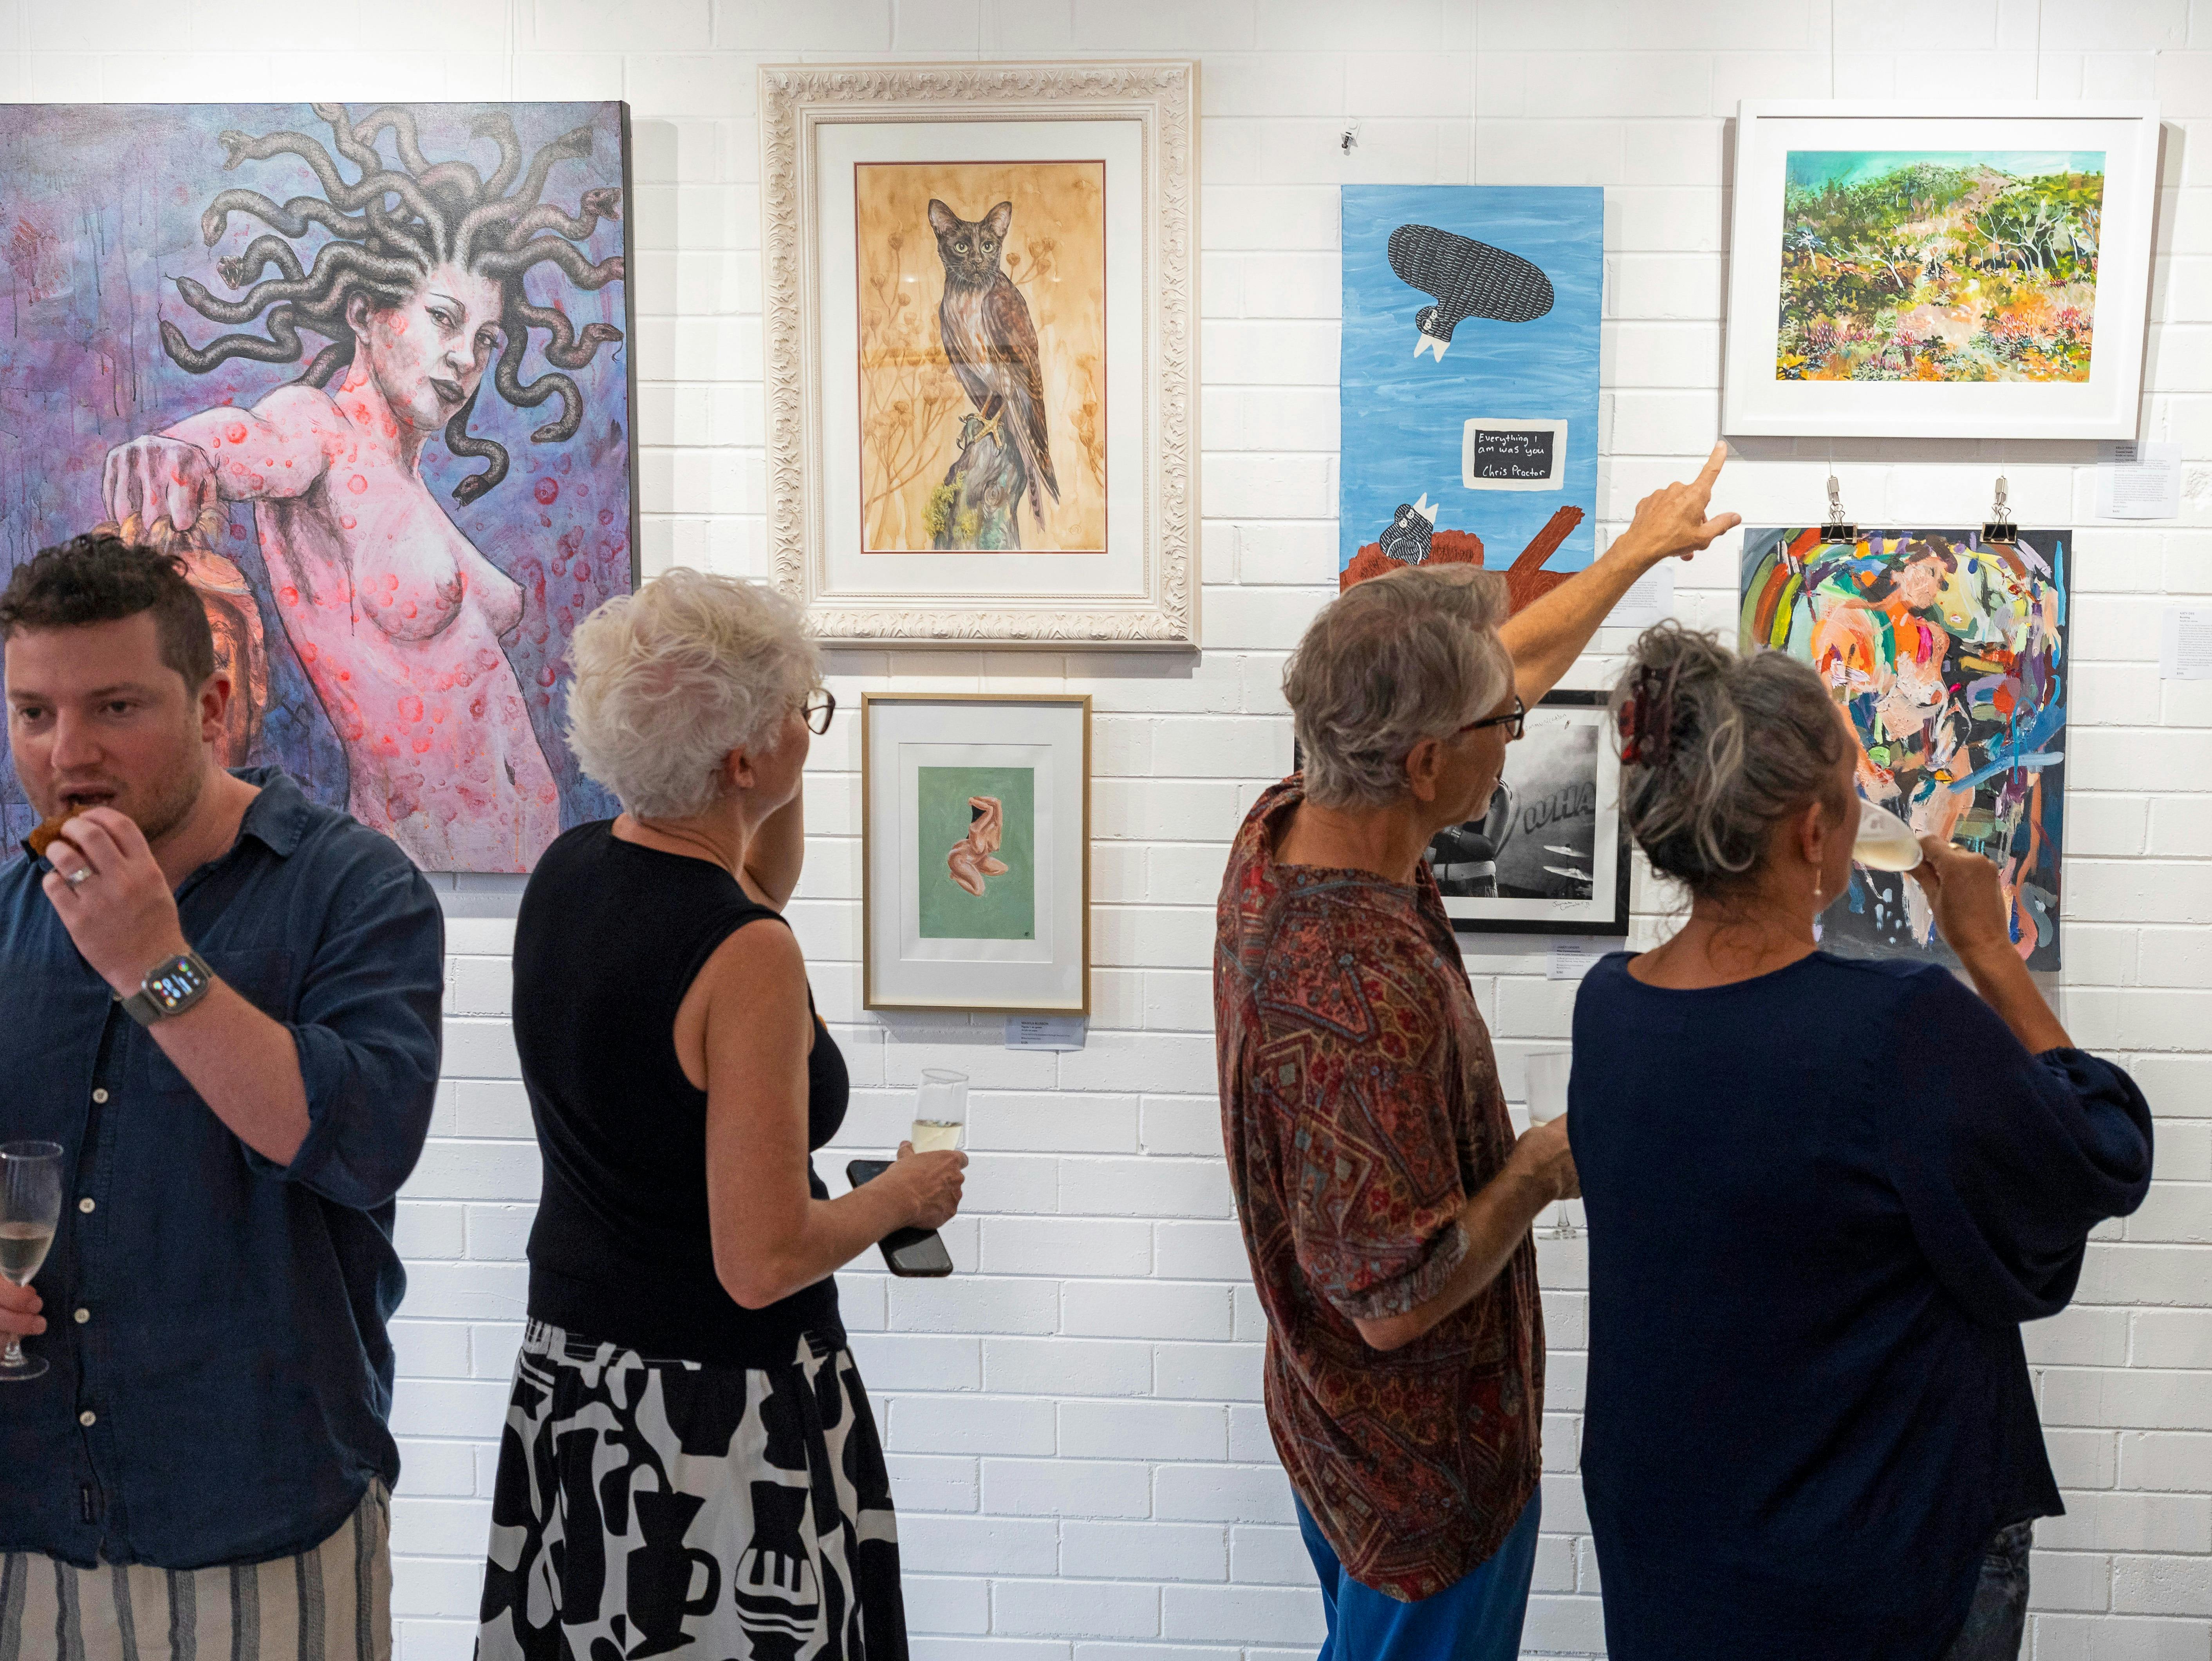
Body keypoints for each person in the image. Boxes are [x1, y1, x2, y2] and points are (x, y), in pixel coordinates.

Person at [1213, 446, 1740, 1658]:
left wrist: (1636, 551)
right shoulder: (1351, 988)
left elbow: (1497, 672)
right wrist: (1544, 1168)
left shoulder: (1288, 824)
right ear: (1428, 765)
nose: (1522, 725)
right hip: (1419, 1487)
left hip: (1336, 1433)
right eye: (1501, 724)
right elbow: (1395, 1303)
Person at [1568, 623, 2154, 1661]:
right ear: (1810, 830)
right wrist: (1987, 948)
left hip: (1674, 1550)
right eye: (1850, 784)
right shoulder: (1895, 1026)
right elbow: (2100, 1151)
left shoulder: (1610, 1007)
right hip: (1869, 1562)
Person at [477, 569, 964, 1661]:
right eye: (803, 712)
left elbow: (744, 883)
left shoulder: (574, 869)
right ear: (741, 759)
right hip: (712, 1419)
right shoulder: (745, 956)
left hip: (579, 1388)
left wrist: (769, 770)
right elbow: (761, 1259)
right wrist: (901, 1196)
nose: (813, 725)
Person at [0, 533, 444, 1658]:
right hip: (30, 1526)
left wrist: (158, 962)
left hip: (264, 1516)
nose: (68, 753)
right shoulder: (8, 908)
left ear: (211, 704)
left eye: (114, 708)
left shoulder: (353, 887)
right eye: (34, 714)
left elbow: (361, 1143)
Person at [100, 103, 628, 874]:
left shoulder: (409, 486)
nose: (465, 360)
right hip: (423, 867)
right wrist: (170, 451)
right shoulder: (319, 430)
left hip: (518, 868)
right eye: (443, 320)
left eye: (484, 340)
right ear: (363, 312)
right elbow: (247, 442)